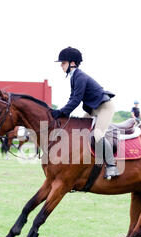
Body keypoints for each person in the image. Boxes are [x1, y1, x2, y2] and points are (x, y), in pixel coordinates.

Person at [51, 47, 119, 179]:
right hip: (94, 109)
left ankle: (112, 166)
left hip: (104, 108)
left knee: (98, 135)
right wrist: (64, 113)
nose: (61, 65)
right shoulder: (73, 77)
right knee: (79, 132)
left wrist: (61, 112)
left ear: (72, 63)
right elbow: (72, 98)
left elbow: (76, 100)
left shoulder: (80, 77)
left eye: (63, 62)